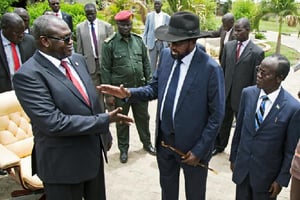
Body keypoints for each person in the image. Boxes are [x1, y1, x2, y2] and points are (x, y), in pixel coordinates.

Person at [98, 11, 225, 200]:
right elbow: (154, 88)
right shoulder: (166, 56)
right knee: (168, 192)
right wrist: (129, 93)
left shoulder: (210, 69)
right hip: (165, 144)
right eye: (170, 41)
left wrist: (199, 150)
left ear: (192, 41)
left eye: (177, 42)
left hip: (192, 149)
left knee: (195, 194)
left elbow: (217, 115)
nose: (171, 46)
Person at [12, 15, 133, 200]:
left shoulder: (77, 60)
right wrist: (105, 120)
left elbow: (91, 102)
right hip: (62, 167)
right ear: (44, 41)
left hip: (92, 157)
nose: (71, 42)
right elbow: (53, 122)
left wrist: (104, 134)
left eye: (71, 37)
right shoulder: (28, 76)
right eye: (65, 39)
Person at [229, 54, 300, 200]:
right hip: (243, 171)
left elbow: (289, 149)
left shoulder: (293, 108)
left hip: (267, 179)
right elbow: (239, 129)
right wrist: (234, 157)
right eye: (258, 70)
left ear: (279, 78)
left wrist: (281, 180)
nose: (259, 75)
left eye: (264, 73)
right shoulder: (247, 94)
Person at [101, 10, 156, 163]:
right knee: (122, 121)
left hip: (139, 90)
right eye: (123, 25)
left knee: (143, 118)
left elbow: (146, 64)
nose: (126, 27)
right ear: (117, 25)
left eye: (129, 24)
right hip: (120, 93)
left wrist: (150, 87)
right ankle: (123, 150)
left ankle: (147, 144)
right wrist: (109, 95)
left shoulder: (138, 41)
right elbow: (105, 69)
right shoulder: (109, 44)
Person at [212, 17, 265, 156]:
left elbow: (256, 80)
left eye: (239, 30)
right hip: (226, 92)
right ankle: (219, 146)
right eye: (234, 30)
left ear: (248, 30)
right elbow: (222, 70)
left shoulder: (257, 52)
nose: (235, 33)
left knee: (241, 125)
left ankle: (238, 152)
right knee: (223, 121)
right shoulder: (229, 46)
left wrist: (254, 98)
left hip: (243, 96)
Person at [76, 3, 114, 110]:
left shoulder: (106, 26)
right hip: (90, 65)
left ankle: (113, 114)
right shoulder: (80, 28)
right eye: (87, 14)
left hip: (105, 64)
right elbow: (79, 49)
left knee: (109, 91)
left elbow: (112, 48)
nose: (90, 16)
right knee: (96, 93)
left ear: (96, 13)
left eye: (92, 14)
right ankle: (102, 116)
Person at [0, 12, 36, 93]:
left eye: (23, 32)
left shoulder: (30, 41)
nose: (21, 36)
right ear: (4, 28)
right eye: (16, 32)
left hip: (28, 92)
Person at [142, 0, 170, 72]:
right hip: (152, 43)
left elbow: (168, 31)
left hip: (163, 42)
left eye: (158, 4)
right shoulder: (149, 16)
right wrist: (145, 43)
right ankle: (152, 80)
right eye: (155, 4)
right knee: (152, 64)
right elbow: (146, 30)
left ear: (161, 5)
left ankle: (161, 78)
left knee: (163, 62)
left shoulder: (167, 17)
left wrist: (169, 43)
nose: (156, 6)